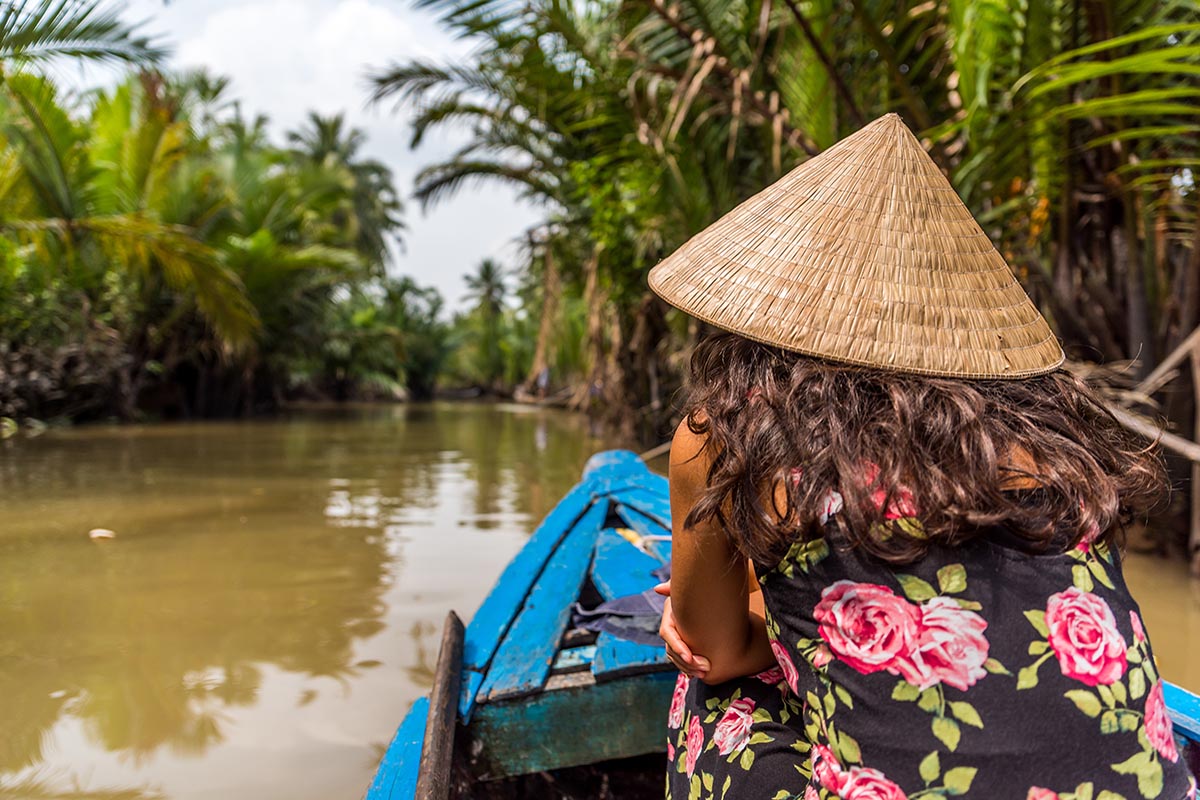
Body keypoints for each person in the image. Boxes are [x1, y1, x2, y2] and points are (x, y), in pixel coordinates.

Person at [647, 114, 1196, 799]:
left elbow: (715, 651)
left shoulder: (726, 433)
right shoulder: (1053, 441)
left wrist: (726, 619)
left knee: (710, 704)